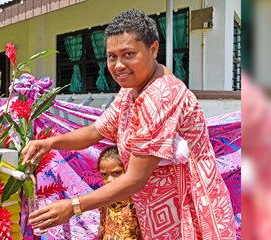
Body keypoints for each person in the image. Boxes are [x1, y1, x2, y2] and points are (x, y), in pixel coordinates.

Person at [23, 10, 236, 239]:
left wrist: (74, 206)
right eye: (112, 57)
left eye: (128, 54)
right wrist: (49, 142)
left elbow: (136, 177)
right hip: (158, 213)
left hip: (187, 213)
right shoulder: (131, 90)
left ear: (153, 49)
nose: (118, 65)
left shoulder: (161, 96)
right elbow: (96, 130)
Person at [97, 146, 142, 240]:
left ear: (127, 171)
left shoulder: (137, 201)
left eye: (116, 173)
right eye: (104, 174)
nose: (109, 180)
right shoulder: (103, 198)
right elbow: (102, 227)